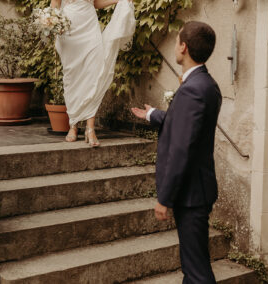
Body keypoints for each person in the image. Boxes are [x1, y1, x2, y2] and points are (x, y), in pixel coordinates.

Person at [131, 21, 222, 284]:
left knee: (196, 272)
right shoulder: (206, 84)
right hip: (198, 190)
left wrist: (165, 198)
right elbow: (187, 126)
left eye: (176, 40)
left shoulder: (193, 89)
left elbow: (182, 148)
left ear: (183, 47)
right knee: (193, 266)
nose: (174, 45)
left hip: (190, 194)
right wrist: (153, 114)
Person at [51, 0, 135, 147]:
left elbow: (95, 3)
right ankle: (73, 124)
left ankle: (90, 127)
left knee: (94, 73)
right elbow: (55, 5)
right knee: (72, 77)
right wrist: (52, 23)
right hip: (68, 31)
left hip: (90, 28)